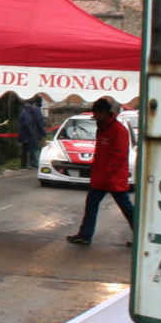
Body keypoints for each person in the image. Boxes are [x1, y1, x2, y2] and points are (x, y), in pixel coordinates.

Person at [66, 97, 135, 246]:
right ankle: (84, 235)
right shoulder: (103, 126)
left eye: (97, 113)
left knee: (127, 208)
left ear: (104, 113)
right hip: (102, 177)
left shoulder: (118, 130)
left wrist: (108, 173)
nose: (95, 116)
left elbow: (119, 155)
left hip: (113, 178)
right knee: (92, 204)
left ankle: (142, 237)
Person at [18, 97, 46, 170]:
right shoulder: (28, 113)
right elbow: (28, 124)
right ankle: (31, 163)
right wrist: (33, 133)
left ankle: (25, 164)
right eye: (34, 105)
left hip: (25, 134)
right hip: (27, 134)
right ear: (31, 105)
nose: (35, 106)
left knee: (26, 149)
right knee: (30, 149)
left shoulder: (26, 111)